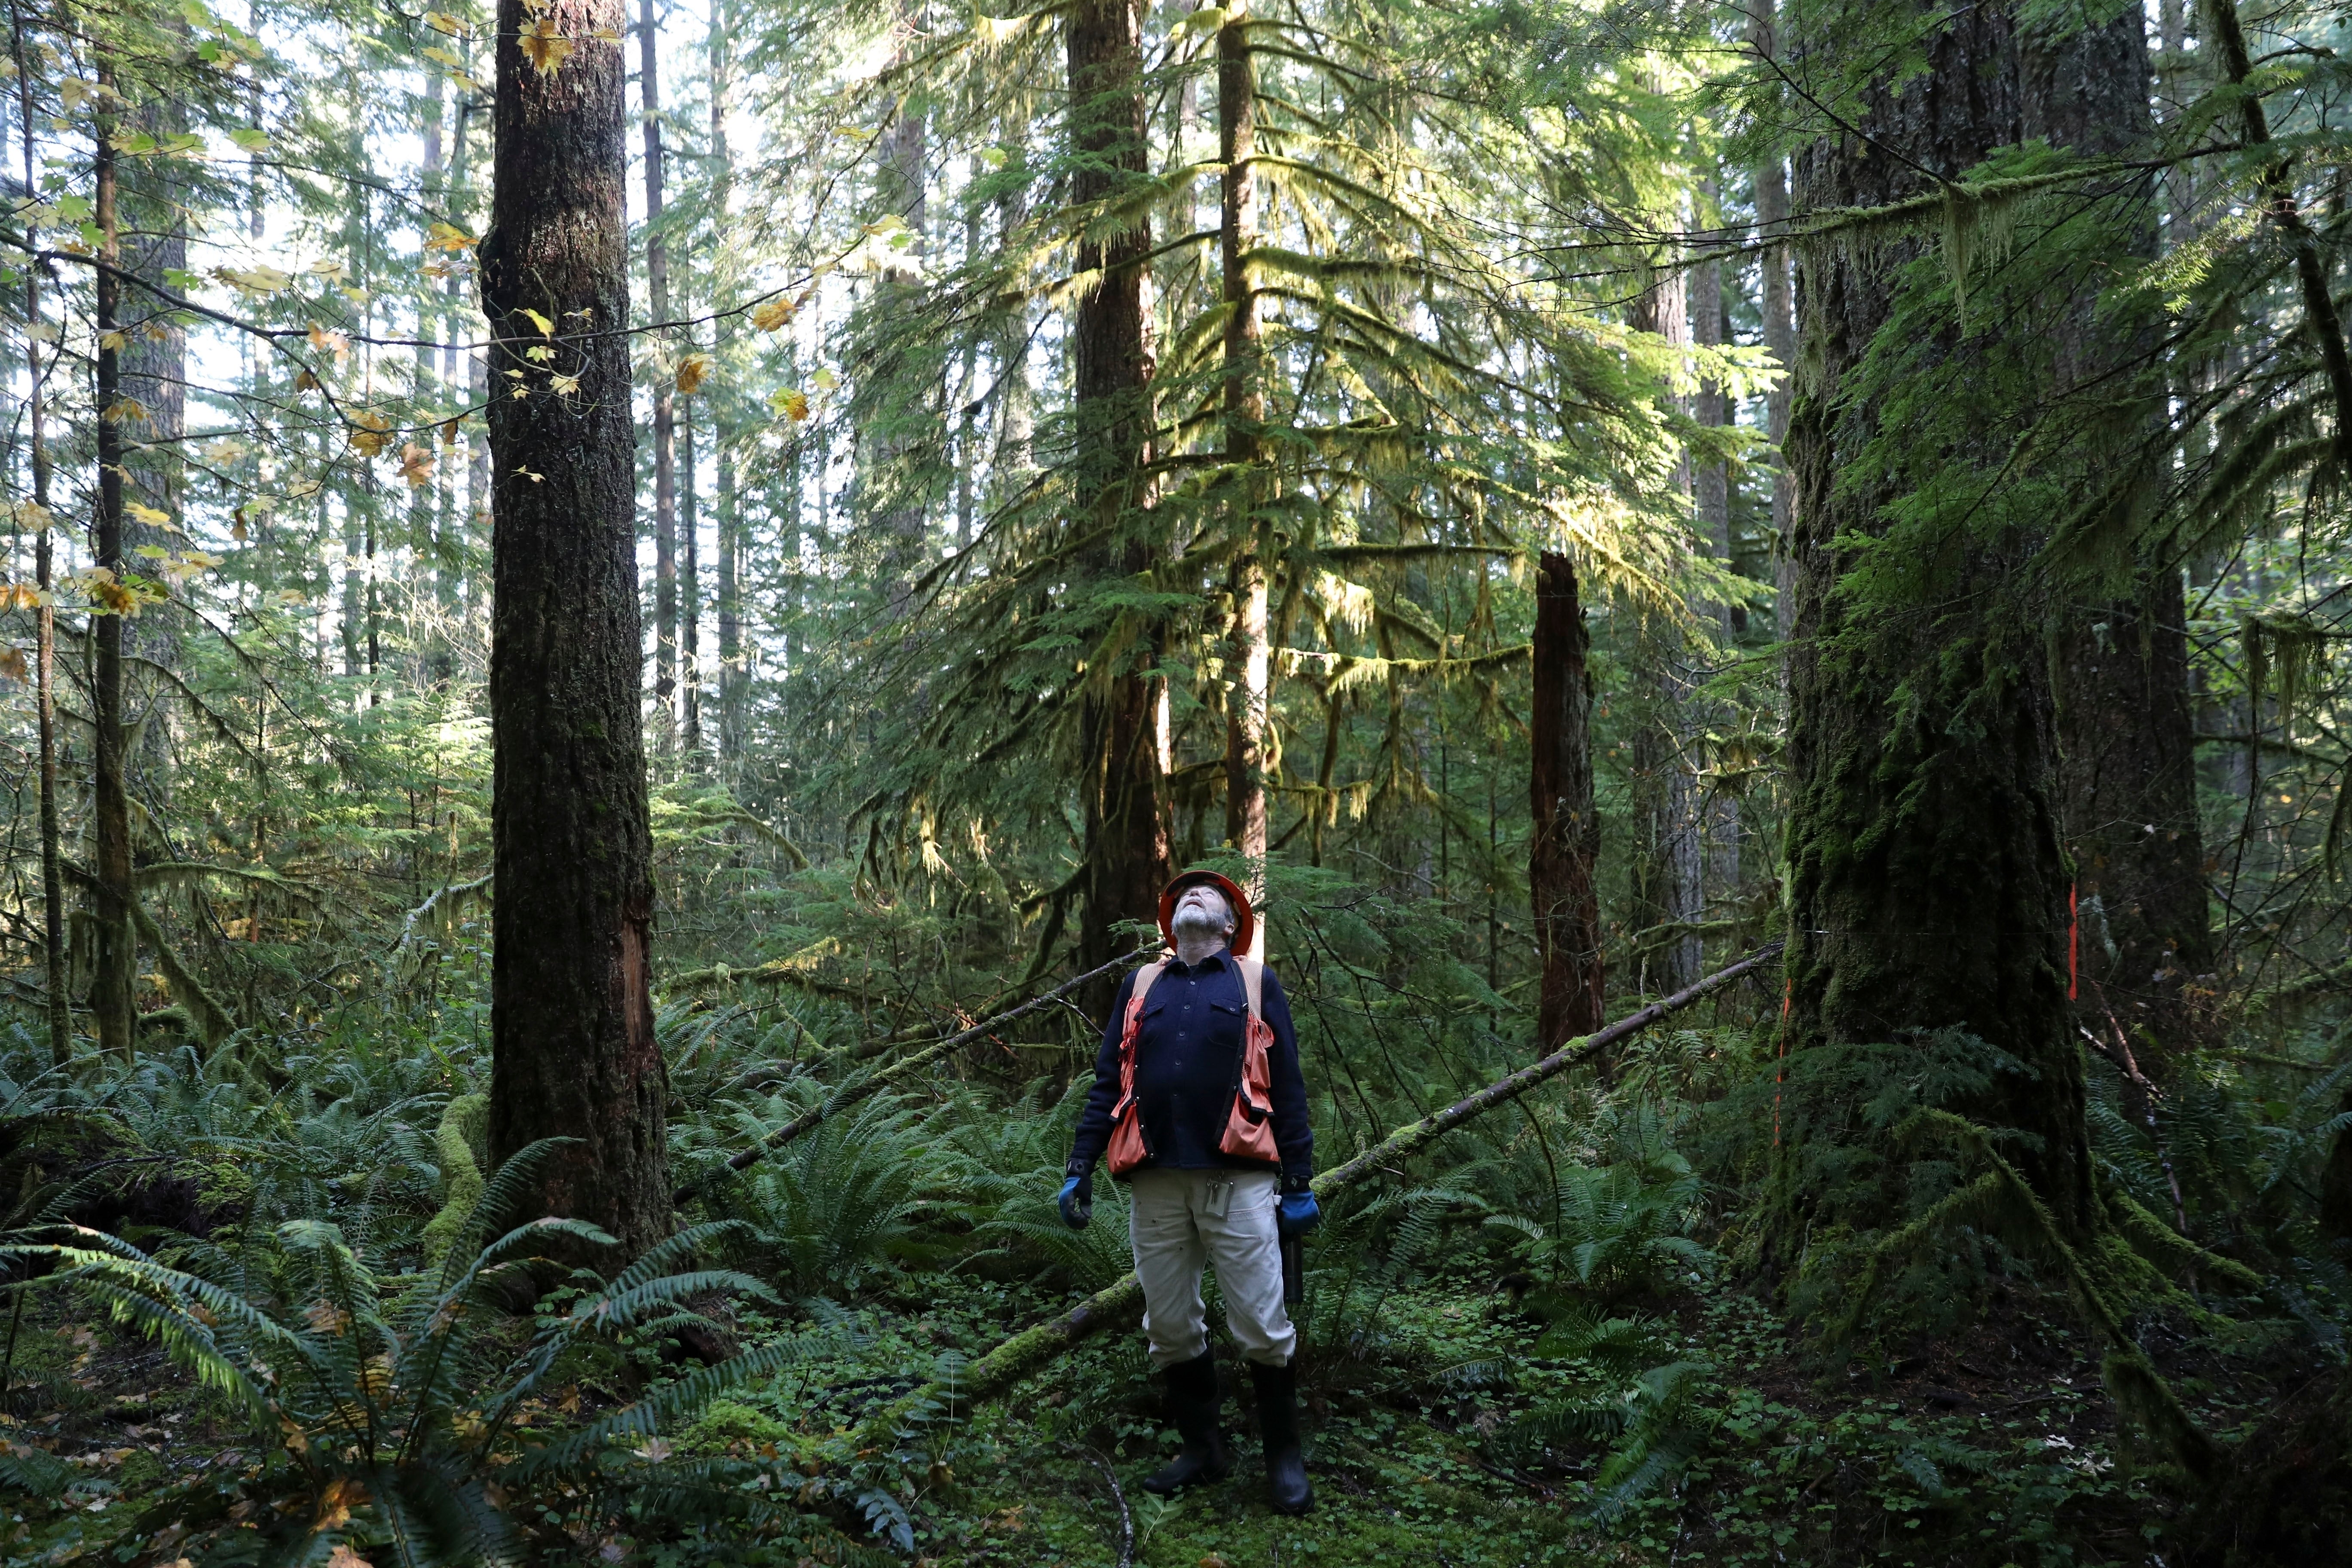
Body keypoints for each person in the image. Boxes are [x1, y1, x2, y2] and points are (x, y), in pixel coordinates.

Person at [1057, 869, 1320, 1515]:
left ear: (1231, 925)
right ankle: (1204, 1450)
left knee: (1262, 1324)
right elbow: (1105, 1082)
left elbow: (1285, 1083)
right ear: (1169, 924)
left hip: (1239, 1179)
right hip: (1155, 1183)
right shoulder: (1141, 984)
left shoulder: (1256, 983)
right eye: (1183, 896)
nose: (1194, 898)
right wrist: (1080, 1164)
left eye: (1211, 896)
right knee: (1169, 1326)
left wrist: (1299, 1182)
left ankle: (1284, 1460)